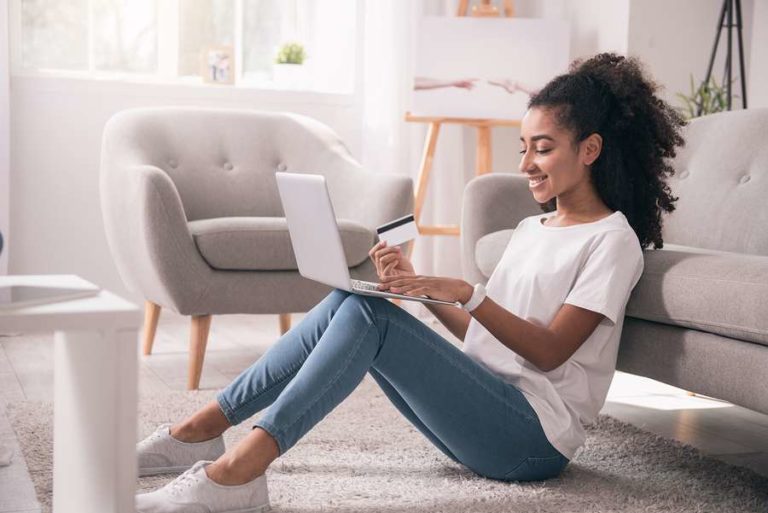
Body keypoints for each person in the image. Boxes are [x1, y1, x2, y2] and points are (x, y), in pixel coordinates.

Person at [135, 52, 685, 512]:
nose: (527, 164)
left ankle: (240, 470)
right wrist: (414, 286)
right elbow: (486, 336)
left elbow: (549, 352)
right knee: (351, 300)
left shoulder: (612, 242)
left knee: (368, 316)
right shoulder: (530, 226)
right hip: (486, 404)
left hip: (531, 441)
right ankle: (201, 431)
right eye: (523, 148)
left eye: (543, 148)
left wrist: (468, 291)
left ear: (590, 150)